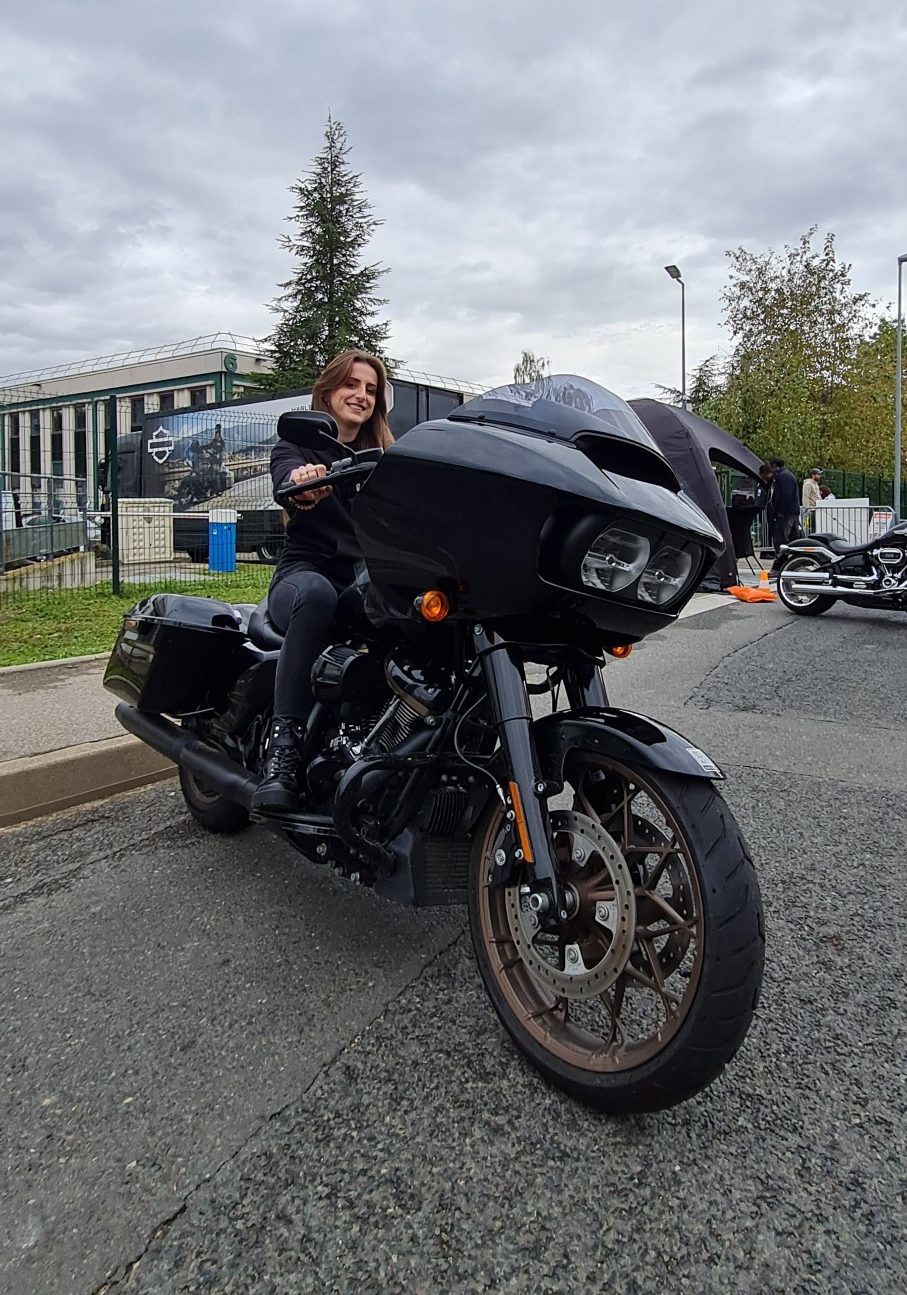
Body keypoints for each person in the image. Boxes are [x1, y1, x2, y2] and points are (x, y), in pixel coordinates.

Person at [252, 351, 393, 813]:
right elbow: (287, 480)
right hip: (304, 575)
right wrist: (304, 483)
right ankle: (283, 748)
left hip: (361, 586)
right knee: (316, 596)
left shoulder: (389, 460)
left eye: (371, 390)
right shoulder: (299, 449)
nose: (361, 396)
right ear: (328, 392)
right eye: (352, 385)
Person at [768, 456, 800, 555]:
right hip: (792, 512)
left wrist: (780, 511)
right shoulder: (788, 475)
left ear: (773, 465)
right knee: (793, 539)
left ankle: (782, 559)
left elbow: (785, 495)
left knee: (781, 539)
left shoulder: (781, 476)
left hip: (785, 514)